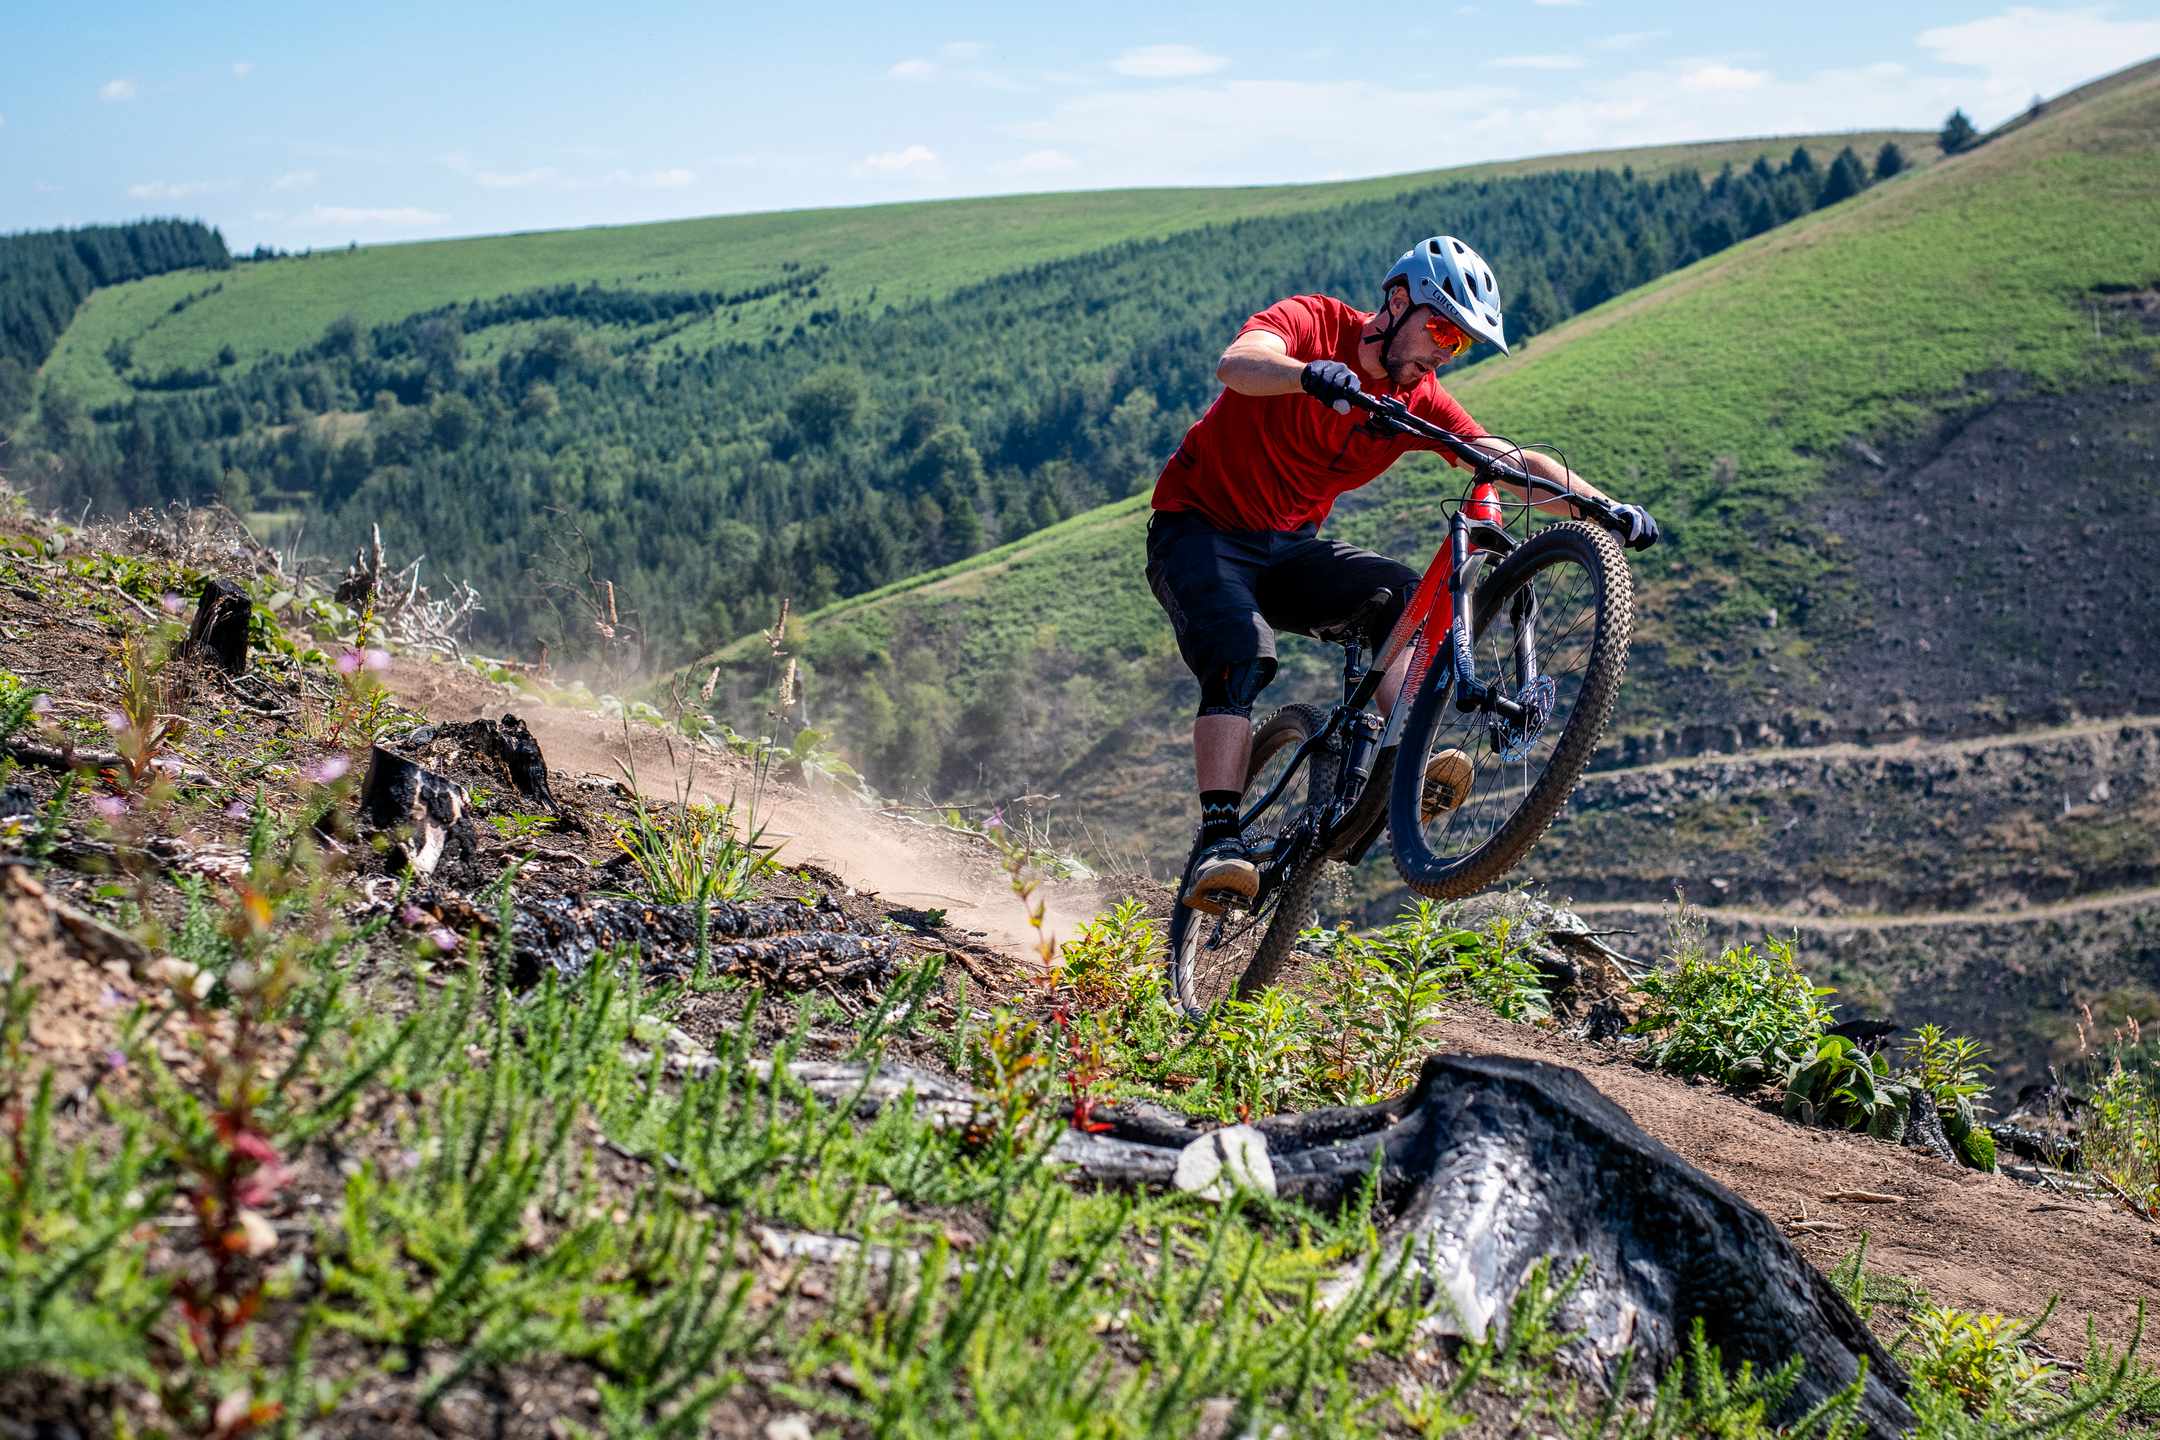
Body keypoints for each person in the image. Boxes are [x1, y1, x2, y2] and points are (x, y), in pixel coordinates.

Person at [1144, 235, 1660, 909]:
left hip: (1288, 549)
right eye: (1442, 329)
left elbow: (1509, 459)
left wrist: (1604, 507)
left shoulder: (1419, 399)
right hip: (1197, 529)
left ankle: (1406, 758)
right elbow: (1239, 362)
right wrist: (1306, 374)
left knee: (1402, 597)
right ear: (1396, 302)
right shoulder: (1315, 322)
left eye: (1460, 344)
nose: (1445, 352)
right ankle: (1218, 840)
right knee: (1241, 652)